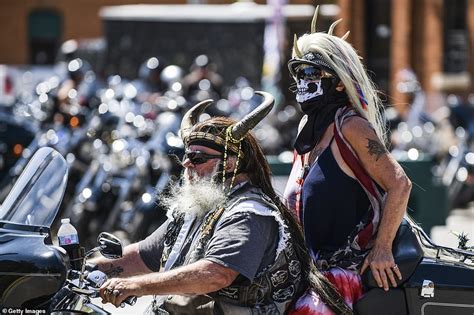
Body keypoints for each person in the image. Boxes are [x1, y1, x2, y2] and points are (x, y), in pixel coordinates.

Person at [93, 91, 351, 314]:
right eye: (186, 156)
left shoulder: (249, 212)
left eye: (196, 157)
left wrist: (137, 285)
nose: (185, 164)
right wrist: (81, 268)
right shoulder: (198, 210)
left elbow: (215, 274)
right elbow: (141, 255)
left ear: (229, 163)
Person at [283, 6, 412, 310]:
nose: (303, 80)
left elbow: (400, 184)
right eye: (298, 72)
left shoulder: (351, 125)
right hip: (306, 275)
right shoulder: (307, 128)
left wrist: (381, 249)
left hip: (344, 279)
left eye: (313, 72)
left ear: (339, 82)